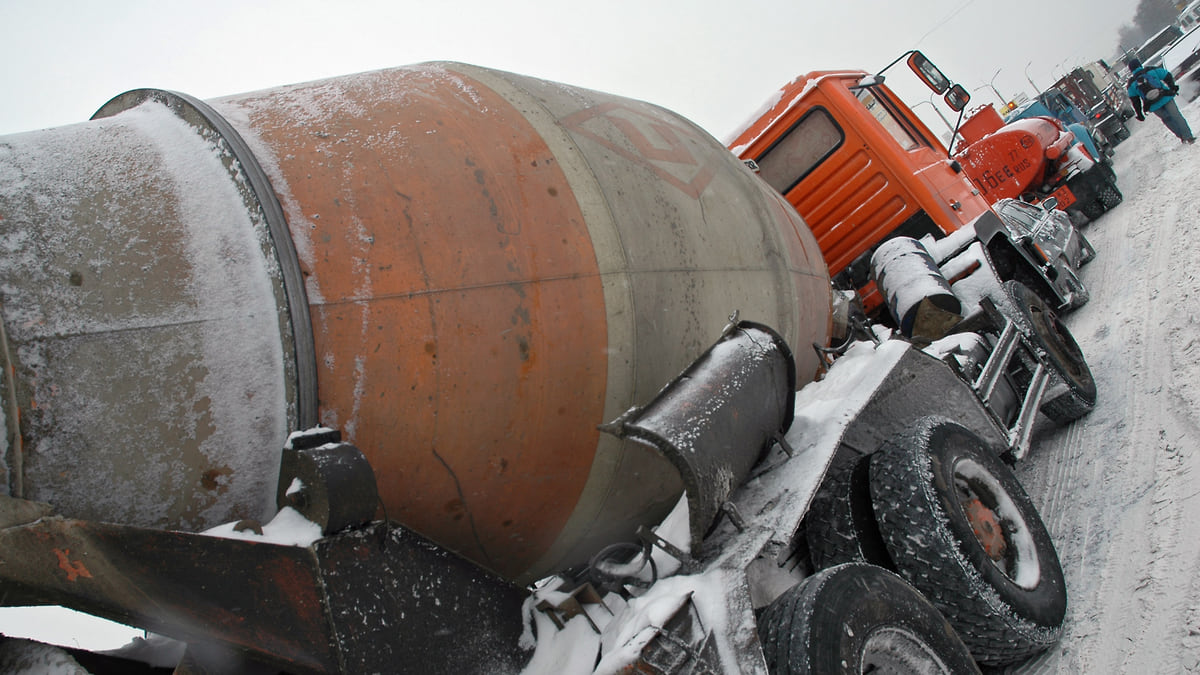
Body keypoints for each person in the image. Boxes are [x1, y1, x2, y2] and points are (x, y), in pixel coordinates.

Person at [1126, 57, 1196, 144]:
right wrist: (1172, 87)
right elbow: (1167, 75)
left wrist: (1139, 114)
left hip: (1153, 105)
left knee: (1167, 120)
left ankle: (1181, 136)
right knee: (1177, 116)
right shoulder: (1151, 70)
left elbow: (1135, 101)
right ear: (1140, 65)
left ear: (1131, 70)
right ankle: (1188, 136)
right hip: (1165, 97)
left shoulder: (1131, 84)